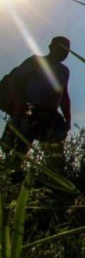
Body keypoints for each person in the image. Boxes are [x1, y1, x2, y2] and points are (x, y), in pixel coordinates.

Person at [0, 37, 72, 172]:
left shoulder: (64, 71)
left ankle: (53, 179)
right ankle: (10, 177)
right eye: (61, 48)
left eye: (67, 50)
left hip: (50, 115)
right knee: (17, 150)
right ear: (51, 47)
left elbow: (64, 96)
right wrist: (18, 104)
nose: (64, 52)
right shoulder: (35, 61)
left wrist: (68, 119)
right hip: (28, 112)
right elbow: (15, 82)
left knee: (55, 152)